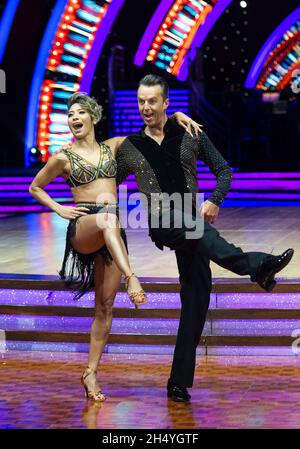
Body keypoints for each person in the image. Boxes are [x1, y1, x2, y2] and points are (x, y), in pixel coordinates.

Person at [113, 74, 294, 402]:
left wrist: (214, 199)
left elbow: (224, 170)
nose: (145, 107)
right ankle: (258, 265)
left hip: (192, 224)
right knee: (196, 231)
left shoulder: (189, 132)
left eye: (152, 101)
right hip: (163, 221)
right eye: (141, 101)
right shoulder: (131, 147)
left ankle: (177, 382)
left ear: (166, 103)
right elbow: (108, 176)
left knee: (196, 298)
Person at [29, 91, 200, 402]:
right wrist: (59, 208)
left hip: (111, 234)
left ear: (93, 117)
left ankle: (90, 372)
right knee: (108, 219)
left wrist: (175, 118)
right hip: (84, 227)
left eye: (80, 113)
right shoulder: (63, 157)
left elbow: (151, 129)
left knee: (105, 307)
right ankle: (132, 277)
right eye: (70, 115)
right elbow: (35, 186)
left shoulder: (114, 146)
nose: (74, 119)